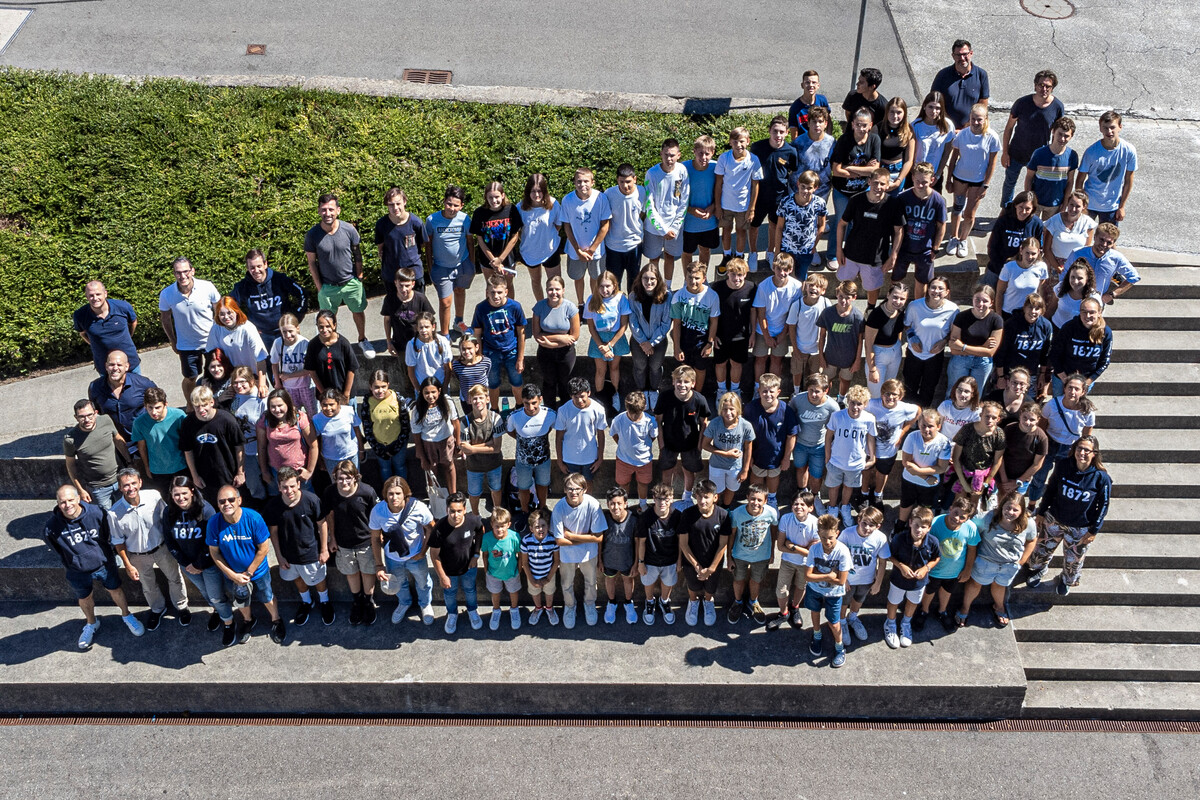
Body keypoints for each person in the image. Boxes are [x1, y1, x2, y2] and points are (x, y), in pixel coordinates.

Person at [45, 484, 144, 650]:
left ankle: (126, 615)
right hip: (77, 570)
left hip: (103, 564)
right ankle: (91, 623)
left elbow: (108, 534)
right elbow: (56, 548)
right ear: (57, 503)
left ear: (78, 498)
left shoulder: (96, 513)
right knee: (84, 597)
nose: (67, 505)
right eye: (62, 502)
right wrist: (75, 561)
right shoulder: (51, 526)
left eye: (70, 500)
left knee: (115, 590)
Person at [1025, 434, 1112, 595]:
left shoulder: (1101, 477)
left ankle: (1066, 579)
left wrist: (1094, 530)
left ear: (1094, 453)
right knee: (1041, 551)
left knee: (1074, 560)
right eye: (1079, 448)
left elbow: (1103, 505)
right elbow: (1051, 489)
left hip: (1080, 527)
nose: (1082, 453)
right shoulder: (1063, 465)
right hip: (1055, 519)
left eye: (1087, 450)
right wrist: (1042, 512)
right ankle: (1039, 569)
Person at [107, 468, 189, 630]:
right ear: (120, 487)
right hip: (137, 555)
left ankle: (181, 606)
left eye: (133, 483)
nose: (130, 488)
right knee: (148, 585)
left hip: (162, 548)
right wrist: (128, 565)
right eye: (126, 485)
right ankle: (157, 608)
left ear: (140, 482)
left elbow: (167, 518)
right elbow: (118, 541)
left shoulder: (154, 496)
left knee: (175, 578)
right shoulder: (114, 513)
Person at [206, 484, 285, 644]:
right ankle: (248, 620)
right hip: (233, 574)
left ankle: (276, 619)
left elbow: (263, 548)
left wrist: (249, 573)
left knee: (267, 596)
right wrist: (232, 575)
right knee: (240, 600)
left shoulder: (253, 518)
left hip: (258, 571)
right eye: (222, 501)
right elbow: (214, 552)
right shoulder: (214, 523)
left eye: (231, 499)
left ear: (239, 500)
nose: (226, 504)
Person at [163, 476, 236, 644]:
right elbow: (169, 540)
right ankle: (218, 612)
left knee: (216, 596)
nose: (180, 498)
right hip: (187, 565)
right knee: (206, 594)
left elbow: (212, 541)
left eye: (184, 493)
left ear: (192, 491)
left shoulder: (206, 510)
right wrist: (186, 563)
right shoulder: (168, 512)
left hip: (208, 564)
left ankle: (229, 623)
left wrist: (198, 564)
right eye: (176, 494)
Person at [304, 193, 373, 357]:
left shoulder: (349, 229)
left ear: (338, 210)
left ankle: (362, 339)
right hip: (328, 287)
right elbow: (311, 262)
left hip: (351, 282)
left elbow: (357, 254)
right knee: (327, 319)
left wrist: (359, 278)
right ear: (319, 211)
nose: (327, 213)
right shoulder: (312, 235)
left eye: (331, 209)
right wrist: (319, 287)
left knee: (358, 311)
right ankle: (331, 346)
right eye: (323, 210)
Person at [265, 466, 333, 627]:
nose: (289, 491)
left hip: (310, 552)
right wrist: (279, 555)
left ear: (298, 484)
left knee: (318, 579)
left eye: (292, 486)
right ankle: (306, 601)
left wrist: (324, 549)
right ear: (279, 486)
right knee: (296, 578)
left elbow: (322, 524)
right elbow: (273, 532)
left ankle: (325, 601)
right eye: (285, 487)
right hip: (288, 554)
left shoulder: (312, 500)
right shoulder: (273, 506)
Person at [957, 491, 1037, 627]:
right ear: (1001, 506)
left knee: (1000, 586)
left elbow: (1032, 540)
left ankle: (999, 607)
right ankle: (965, 608)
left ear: (1022, 511)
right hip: (985, 562)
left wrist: (1022, 561)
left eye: (1015, 510)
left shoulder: (1028, 523)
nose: (1010, 512)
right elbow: (969, 530)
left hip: (1009, 565)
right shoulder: (986, 518)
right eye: (1008, 508)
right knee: (975, 584)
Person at [369, 476, 436, 625]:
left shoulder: (418, 507)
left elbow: (431, 528)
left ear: (405, 493)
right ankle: (404, 602)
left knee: (423, 582)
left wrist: (423, 552)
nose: (394, 498)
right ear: (385, 494)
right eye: (390, 494)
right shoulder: (378, 511)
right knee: (398, 583)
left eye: (398, 493)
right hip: (392, 557)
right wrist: (379, 564)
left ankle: (425, 603)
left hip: (415, 555)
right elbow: (375, 537)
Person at [321, 460, 380, 626]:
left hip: (365, 542)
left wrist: (377, 539)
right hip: (343, 543)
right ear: (334, 478)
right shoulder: (330, 492)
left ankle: (368, 601)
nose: (344, 482)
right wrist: (332, 538)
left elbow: (376, 517)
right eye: (340, 478)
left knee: (367, 571)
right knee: (351, 572)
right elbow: (329, 515)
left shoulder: (367, 492)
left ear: (355, 477)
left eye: (348, 478)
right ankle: (357, 601)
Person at [159, 257, 221, 409]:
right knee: (190, 377)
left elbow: (219, 310)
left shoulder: (207, 287)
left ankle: (214, 405)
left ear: (192, 271)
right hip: (186, 345)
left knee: (214, 375)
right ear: (174, 274)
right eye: (178, 272)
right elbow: (165, 319)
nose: (182, 276)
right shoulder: (167, 294)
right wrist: (173, 341)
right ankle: (191, 405)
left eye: (185, 271)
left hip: (210, 341)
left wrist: (220, 335)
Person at [826, 108, 882, 271]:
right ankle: (833, 254)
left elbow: (875, 169)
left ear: (870, 125)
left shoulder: (874, 140)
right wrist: (864, 169)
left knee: (856, 223)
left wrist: (849, 168)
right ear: (852, 124)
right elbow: (836, 170)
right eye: (858, 124)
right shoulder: (844, 140)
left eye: (865, 125)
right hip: (842, 191)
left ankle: (850, 252)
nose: (861, 128)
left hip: (862, 191)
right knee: (840, 221)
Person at [1000, 70, 1065, 208]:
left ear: (1052, 88)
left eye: (1048, 86)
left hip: (1039, 157)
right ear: (1035, 85)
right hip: (1016, 153)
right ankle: (1006, 210)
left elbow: (1058, 132)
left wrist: (1054, 155)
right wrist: (1005, 152)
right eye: (1041, 85)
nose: (1044, 89)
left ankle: (1029, 210)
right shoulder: (1022, 103)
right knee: (1009, 183)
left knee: (1034, 187)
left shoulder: (1057, 107)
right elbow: (1009, 128)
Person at [836, 168, 900, 307]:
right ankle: (843, 309)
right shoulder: (856, 200)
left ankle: (870, 309)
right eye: (875, 182)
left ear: (888, 185)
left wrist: (893, 255)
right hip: (851, 253)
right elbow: (842, 224)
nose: (878, 187)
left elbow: (899, 231)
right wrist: (839, 249)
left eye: (882, 184)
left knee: (872, 287)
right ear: (869, 181)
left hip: (875, 257)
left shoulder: (893, 204)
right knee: (844, 285)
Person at [551, 472, 608, 628]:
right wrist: (587, 537)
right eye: (570, 488)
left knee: (591, 582)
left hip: (589, 554)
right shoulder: (559, 508)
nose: (573, 492)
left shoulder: (593, 504)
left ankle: (589, 604)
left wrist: (571, 536)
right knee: (566, 583)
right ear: (564, 490)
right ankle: (570, 606)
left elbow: (599, 538)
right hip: (567, 555)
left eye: (577, 489)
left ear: (585, 489)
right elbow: (559, 540)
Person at [944, 104, 1001, 259]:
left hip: (977, 181)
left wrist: (986, 184)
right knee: (957, 209)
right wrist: (949, 179)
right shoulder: (962, 135)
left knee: (969, 213)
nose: (976, 122)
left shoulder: (992, 137)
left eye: (979, 119)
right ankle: (953, 237)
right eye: (973, 119)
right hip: (960, 178)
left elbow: (992, 163)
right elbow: (953, 158)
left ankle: (963, 239)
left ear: (986, 119)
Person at [1028, 373, 1095, 502]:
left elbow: (1086, 435)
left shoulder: (1087, 411)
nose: (1072, 392)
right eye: (1070, 387)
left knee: (1062, 479)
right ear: (1064, 388)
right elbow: (1042, 427)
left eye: (1076, 389)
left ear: (1083, 392)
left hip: (1070, 447)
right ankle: (1032, 503)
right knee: (1039, 477)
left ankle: (1053, 504)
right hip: (1050, 443)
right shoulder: (1052, 405)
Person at [918, 496, 978, 631]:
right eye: (955, 513)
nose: (957, 518)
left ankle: (942, 611)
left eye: (962, 517)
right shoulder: (935, 523)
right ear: (950, 509)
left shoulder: (971, 528)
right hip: (934, 569)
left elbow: (972, 549)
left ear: (967, 519)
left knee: (947, 591)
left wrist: (967, 570)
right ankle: (924, 610)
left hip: (954, 571)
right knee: (929, 590)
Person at [229, 248, 307, 351]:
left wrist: (297, 316)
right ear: (247, 268)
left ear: (265, 264)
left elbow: (302, 293)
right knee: (268, 361)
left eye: (259, 266)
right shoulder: (242, 287)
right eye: (252, 267)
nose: (256, 270)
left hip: (285, 330)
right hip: (262, 335)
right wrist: (247, 326)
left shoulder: (279, 279)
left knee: (293, 358)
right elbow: (229, 306)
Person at [884, 506, 941, 648]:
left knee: (913, 602)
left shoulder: (933, 542)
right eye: (916, 525)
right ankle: (890, 623)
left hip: (918, 583)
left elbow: (936, 558)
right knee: (893, 601)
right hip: (898, 580)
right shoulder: (899, 538)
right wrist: (901, 566)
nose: (919, 530)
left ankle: (906, 623)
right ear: (910, 522)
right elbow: (890, 555)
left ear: (929, 528)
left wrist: (926, 568)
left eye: (923, 527)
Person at [655, 365, 711, 505]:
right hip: (668, 442)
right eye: (679, 381)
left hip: (691, 443)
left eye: (686, 382)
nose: (682, 385)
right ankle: (667, 496)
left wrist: (699, 446)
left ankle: (687, 496)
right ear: (673, 382)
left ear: (693, 383)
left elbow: (704, 423)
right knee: (667, 471)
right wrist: (661, 445)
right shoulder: (665, 397)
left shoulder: (699, 400)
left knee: (689, 470)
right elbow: (658, 421)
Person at [429, 493, 485, 634]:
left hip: (469, 568)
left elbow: (480, 531)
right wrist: (442, 576)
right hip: (448, 571)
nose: (456, 515)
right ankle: (452, 613)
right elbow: (434, 555)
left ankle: (472, 610)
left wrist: (476, 554)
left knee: (470, 590)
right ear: (447, 510)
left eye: (459, 511)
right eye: (452, 511)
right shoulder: (439, 528)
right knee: (449, 593)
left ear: (465, 509)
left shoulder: (473, 520)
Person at [180, 385, 244, 508]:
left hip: (228, 475)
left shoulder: (227, 420)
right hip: (204, 478)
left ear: (212, 402)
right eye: (197, 406)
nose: (201, 409)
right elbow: (188, 451)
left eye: (204, 405)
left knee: (230, 507)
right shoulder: (188, 423)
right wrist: (194, 476)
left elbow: (239, 447)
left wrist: (240, 473)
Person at [890, 162, 946, 299]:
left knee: (922, 282)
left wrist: (935, 248)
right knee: (896, 279)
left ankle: (917, 305)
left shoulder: (938, 200)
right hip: (904, 247)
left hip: (925, 249)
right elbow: (897, 226)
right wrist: (894, 251)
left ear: (932, 180)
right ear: (912, 178)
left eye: (925, 182)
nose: (920, 185)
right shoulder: (903, 198)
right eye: (917, 181)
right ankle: (896, 303)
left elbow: (941, 226)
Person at [677, 479, 729, 627]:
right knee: (692, 585)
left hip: (713, 562)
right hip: (691, 561)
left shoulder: (723, 515)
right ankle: (693, 602)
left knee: (710, 587)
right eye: (699, 496)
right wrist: (696, 565)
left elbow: (723, 544)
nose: (702, 501)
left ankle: (708, 602)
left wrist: (711, 568)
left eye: (706, 497)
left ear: (715, 497)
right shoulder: (687, 514)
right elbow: (683, 543)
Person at [824, 385, 878, 526]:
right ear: (848, 401)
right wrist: (827, 457)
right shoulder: (837, 416)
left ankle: (845, 507)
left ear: (865, 404)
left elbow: (870, 438)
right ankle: (832, 508)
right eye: (852, 403)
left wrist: (872, 457)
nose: (855, 407)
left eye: (859, 404)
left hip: (855, 462)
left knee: (849, 486)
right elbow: (828, 437)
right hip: (836, 460)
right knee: (834, 486)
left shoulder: (869, 419)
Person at [472, 275, 527, 410]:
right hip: (490, 352)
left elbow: (521, 333)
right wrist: (479, 357)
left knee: (516, 382)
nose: (496, 296)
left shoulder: (515, 306)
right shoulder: (481, 308)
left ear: (506, 292)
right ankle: (495, 409)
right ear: (487, 292)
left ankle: (519, 406)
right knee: (492, 384)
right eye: (492, 292)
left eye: (499, 292)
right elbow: (477, 334)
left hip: (511, 351)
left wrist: (520, 358)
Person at [424, 185, 474, 337]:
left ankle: (459, 322)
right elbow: (428, 245)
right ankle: (445, 335)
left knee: (460, 291)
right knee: (445, 302)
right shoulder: (432, 220)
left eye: (456, 205)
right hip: (441, 267)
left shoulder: (465, 219)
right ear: (444, 201)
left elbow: (470, 241)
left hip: (462, 264)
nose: (452, 208)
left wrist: (471, 264)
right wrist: (430, 267)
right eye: (449, 204)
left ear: (461, 205)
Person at [836, 505, 889, 646]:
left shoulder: (881, 538)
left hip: (866, 579)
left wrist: (878, 583)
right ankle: (842, 621)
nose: (867, 528)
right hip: (849, 578)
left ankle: (852, 617)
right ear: (859, 520)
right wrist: (842, 578)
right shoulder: (847, 533)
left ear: (878, 526)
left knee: (859, 598)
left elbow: (882, 562)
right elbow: (838, 556)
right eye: (864, 523)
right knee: (844, 601)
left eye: (871, 525)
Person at [748, 117, 796, 272]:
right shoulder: (757, 147)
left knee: (774, 225)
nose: (778, 135)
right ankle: (753, 253)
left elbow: (793, 170)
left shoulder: (791, 151)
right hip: (759, 196)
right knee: (753, 226)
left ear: (787, 133)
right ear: (769, 131)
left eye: (782, 132)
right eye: (775, 131)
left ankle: (770, 252)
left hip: (779, 197)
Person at [744, 373, 799, 509]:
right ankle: (756, 500)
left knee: (773, 477)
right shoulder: (751, 408)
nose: (768, 394)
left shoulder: (786, 411)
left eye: (771, 391)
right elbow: (745, 434)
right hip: (757, 455)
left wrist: (786, 458)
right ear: (759, 391)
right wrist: (748, 457)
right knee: (756, 476)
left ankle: (772, 499)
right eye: (764, 391)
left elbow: (791, 436)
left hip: (776, 456)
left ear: (778, 392)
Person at [803, 513, 852, 667]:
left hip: (834, 593)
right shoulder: (814, 549)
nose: (827, 541)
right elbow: (807, 576)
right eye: (823, 537)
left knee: (834, 622)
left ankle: (839, 647)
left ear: (837, 533)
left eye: (830, 537)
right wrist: (829, 576)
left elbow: (841, 581)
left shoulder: (843, 551)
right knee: (815, 612)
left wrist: (818, 574)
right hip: (814, 589)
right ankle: (817, 635)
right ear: (818, 534)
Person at [902, 277, 958, 408]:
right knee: (909, 389)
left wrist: (944, 341)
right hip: (914, 353)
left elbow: (954, 332)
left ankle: (922, 414)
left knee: (928, 390)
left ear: (947, 292)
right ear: (928, 289)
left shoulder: (953, 309)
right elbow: (907, 324)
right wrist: (912, 337)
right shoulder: (915, 306)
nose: (936, 291)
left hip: (934, 355)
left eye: (940, 288)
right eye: (933, 287)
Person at [726, 484, 778, 624]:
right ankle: (738, 602)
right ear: (747, 497)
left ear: (765, 501)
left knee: (756, 580)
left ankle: (753, 601)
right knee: (738, 579)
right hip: (740, 554)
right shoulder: (737, 513)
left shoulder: (771, 513)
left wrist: (772, 552)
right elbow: (732, 535)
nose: (756, 502)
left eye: (759, 500)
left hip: (761, 555)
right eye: (753, 498)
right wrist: (728, 557)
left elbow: (774, 532)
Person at [64, 399, 127, 513]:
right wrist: (80, 490)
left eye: (90, 415)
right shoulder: (71, 439)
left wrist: (129, 463)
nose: (87, 420)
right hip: (98, 488)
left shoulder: (106, 420)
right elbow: (71, 466)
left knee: (126, 512)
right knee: (106, 517)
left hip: (119, 480)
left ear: (96, 413)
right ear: (76, 417)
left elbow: (118, 440)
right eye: (82, 417)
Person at [865, 379, 920, 510]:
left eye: (894, 394)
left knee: (882, 472)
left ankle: (878, 494)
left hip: (889, 450)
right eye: (887, 393)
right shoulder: (871, 404)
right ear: (882, 394)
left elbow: (918, 411)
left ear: (900, 396)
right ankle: (864, 493)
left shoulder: (905, 408)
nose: (890, 397)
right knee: (865, 470)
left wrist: (903, 431)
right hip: (868, 448)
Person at [561, 167, 612, 305]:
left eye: (586, 181)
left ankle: (595, 302)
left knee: (596, 278)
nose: (582, 184)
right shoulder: (567, 200)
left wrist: (592, 249)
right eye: (579, 181)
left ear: (592, 182)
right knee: (578, 277)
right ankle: (581, 303)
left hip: (596, 250)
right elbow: (567, 227)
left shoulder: (601, 198)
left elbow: (605, 225)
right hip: (575, 250)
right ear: (574, 182)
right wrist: (578, 250)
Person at [713, 127, 764, 268]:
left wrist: (752, 208)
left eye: (742, 141)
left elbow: (755, 185)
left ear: (747, 141)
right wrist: (718, 206)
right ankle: (727, 255)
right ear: (730, 142)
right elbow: (718, 183)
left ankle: (740, 256)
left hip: (743, 205)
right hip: (725, 204)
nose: (738, 145)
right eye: (735, 141)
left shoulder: (753, 160)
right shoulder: (724, 158)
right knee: (726, 230)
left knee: (741, 231)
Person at [793, 109, 836, 273]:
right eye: (814, 122)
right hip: (803, 190)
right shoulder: (799, 142)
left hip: (823, 188)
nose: (817, 125)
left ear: (825, 123)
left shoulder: (832, 142)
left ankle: (816, 239)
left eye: (820, 122)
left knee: (819, 220)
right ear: (808, 123)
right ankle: (812, 249)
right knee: (807, 221)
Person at [529, 275, 580, 413]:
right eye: (550, 289)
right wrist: (561, 338)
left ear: (563, 290)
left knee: (565, 383)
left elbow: (574, 336)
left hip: (566, 353)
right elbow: (537, 334)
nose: (554, 292)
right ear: (546, 290)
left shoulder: (570, 308)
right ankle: (550, 410)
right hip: (545, 352)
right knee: (549, 382)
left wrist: (552, 341)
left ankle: (566, 411)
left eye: (557, 289)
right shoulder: (539, 307)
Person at [1075, 110, 1137, 224]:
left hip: (1112, 206)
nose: (1109, 131)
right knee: (1084, 235)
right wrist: (1081, 204)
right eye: (1105, 128)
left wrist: (1122, 206)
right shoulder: (1091, 152)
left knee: (1108, 235)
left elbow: (1128, 181)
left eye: (1112, 127)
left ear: (1120, 127)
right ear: (1100, 128)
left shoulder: (1129, 151)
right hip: (1089, 205)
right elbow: (1080, 180)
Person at [767, 491, 818, 631]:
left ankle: (795, 607)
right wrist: (802, 549)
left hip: (806, 564)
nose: (798, 507)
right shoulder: (786, 519)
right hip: (787, 561)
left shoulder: (815, 523)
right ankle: (784, 613)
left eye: (803, 504)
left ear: (810, 508)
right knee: (781, 590)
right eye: (796, 504)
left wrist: (792, 546)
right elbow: (780, 546)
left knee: (801, 586)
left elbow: (811, 552)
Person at [790, 373, 840, 514]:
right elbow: (790, 415)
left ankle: (814, 496)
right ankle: (802, 492)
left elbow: (835, 428)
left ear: (826, 391)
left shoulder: (832, 406)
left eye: (817, 391)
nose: (813, 394)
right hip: (800, 444)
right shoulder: (797, 400)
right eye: (810, 390)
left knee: (816, 475)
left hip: (819, 445)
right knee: (800, 468)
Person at [669, 260, 721, 393]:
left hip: (702, 339)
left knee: (700, 368)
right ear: (685, 277)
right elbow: (676, 324)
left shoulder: (712, 296)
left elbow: (714, 321)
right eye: (690, 277)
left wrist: (709, 343)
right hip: (685, 337)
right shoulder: (678, 296)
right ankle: (684, 393)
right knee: (685, 368)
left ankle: (697, 394)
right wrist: (676, 347)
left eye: (697, 278)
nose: (693, 281)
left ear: (704, 278)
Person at [88, 350, 156, 450]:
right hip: (117, 442)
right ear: (106, 366)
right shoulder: (95, 387)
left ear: (126, 367)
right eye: (111, 364)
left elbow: (159, 404)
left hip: (144, 438)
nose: (115, 368)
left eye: (119, 365)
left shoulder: (143, 384)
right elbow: (96, 412)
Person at [644, 138, 691, 285]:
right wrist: (662, 229)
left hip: (674, 227)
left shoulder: (682, 171)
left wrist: (674, 227)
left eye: (672, 155)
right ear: (661, 154)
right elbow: (649, 205)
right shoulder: (651, 174)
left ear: (678, 155)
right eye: (666, 155)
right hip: (654, 228)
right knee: (654, 258)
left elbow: (684, 201)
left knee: (670, 256)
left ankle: (668, 287)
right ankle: (654, 287)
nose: (669, 159)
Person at [381, 268, 435, 391]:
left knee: (425, 369)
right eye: (401, 286)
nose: (404, 289)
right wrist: (389, 342)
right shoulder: (389, 299)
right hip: (401, 344)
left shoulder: (420, 299)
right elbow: (387, 320)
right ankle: (411, 394)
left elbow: (431, 320)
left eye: (407, 286)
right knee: (407, 372)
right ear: (395, 283)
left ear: (413, 284)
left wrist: (432, 341)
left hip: (420, 342)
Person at [256, 388, 319, 493]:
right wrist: (264, 471)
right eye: (273, 407)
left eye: (280, 405)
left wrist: (309, 471)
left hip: (299, 471)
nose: (277, 410)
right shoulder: (265, 420)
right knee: (280, 499)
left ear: (287, 404)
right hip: (275, 471)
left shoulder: (300, 418)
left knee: (304, 497)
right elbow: (261, 447)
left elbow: (313, 445)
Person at [584, 270, 631, 411]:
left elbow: (623, 325)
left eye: (608, 286)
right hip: (598, 339)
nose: (605, 290)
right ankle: (600, 396)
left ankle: (615, 394)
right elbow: (591, 327)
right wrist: (601, 346)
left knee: (614, 367)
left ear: (614, 285)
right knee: (600, 370)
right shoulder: (592, 300)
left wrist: (610, 345)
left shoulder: (621, 299)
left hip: (615, 339)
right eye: (601, 286)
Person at [635, 483, 682, 625]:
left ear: (671, 499)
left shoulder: (677, 516)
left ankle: (664, 601)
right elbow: (642, 542)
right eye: (659, 499)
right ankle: (649, 602)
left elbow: (681, 540)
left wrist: (679, 560)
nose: (662, 502)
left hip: (670, 559)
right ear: (654, 499)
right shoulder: (646, 517)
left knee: (668, 583)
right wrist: (641, 562)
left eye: (666, 499)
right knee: (648, 582)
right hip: (650, 559)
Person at [897, 408, 952, 530]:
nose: (926, 429)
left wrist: (917, 471)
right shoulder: (912, 437)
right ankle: (899, 526)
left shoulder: (944, 442)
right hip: (911, 480)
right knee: (906, 503)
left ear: (938, 426)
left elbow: (942, 468)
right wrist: (925, 477)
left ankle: (922, 529)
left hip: (930, 485)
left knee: (925, 509)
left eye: (930, 426)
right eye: (923, 426)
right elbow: (906, 463)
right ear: (918, 425)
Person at [752, 253, 802, 381]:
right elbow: (761, 314)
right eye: (779, 269)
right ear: (773, 268)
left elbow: (792, 314)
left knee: (777, 359)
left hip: (782, 330)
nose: (782, 273)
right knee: (760, 359)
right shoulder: (764, 286)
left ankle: (773, 386)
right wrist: (767, 336)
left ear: (791, 269)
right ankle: (758, 387)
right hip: (763, 330)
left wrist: (783, 334)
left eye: (786, 269)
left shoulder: (797, 287)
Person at [627, 264, 671, 408]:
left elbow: (666, 323)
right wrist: (643, 342)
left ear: (658, 280)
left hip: (658, 340)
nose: (649, 282)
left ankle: (653, 390)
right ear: (640, 279)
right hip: (638, 340)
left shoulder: (667, 296)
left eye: (652, 279)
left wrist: (651, 343)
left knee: (655, 367)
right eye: (645, 278)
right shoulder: (633, 296)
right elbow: (632, 321)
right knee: (639, 366)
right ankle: (641, 391)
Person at [946, 283, 1003, 394]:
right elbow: (953, 349)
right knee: (954, 391)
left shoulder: (996, 320)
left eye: (985, 301)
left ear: (991, 302)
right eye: (977, 299)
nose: (980, 304)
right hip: (960, 360)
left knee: (976, 394)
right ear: (972, 299)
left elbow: (990, 352)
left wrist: (962, 346)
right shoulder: (961, 316)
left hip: (982, 362)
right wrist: (982, 347)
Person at [507, 385, 556, 513]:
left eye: (534, 403)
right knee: (523, 488)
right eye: (526, 403)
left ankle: (542, 509)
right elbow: (510, 431)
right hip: (523, 461)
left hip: (543, 460)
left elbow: (552, 427)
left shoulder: (550, 414)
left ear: (540, 399)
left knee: (543, 485)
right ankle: (525, 511)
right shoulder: (514, 416)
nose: (530, 407)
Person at [701, 392, 756, 507]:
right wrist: (724, 454)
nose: (728, 413)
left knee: (732, 488)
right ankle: (716, 509)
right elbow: (705, 445)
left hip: (735, 466)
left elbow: (748, 447)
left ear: (738, 409)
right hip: (717, 465)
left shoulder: (745, 425)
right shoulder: (715, 423)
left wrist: (745, 469)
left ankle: (726, 507)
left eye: (731, 409)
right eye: (725, 409)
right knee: (716, 490)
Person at [950, 400, 1006, 513]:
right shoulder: (967, 429)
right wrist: (964, 482)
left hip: (981, 475)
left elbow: (997, 461)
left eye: (994, 417)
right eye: (987, 416)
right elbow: (956, 458)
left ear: (998, 419)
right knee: (959, 501)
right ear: (981, 415)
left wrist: (986, 482)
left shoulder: (999, 434)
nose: (990, 420)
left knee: (973, 505)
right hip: (963, 470)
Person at [74, 280, 139, 376]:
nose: (95, 298)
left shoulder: (122, 307)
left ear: (105, 294)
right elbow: (82, 333)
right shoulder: (80, 315)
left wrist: (128, 337)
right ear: (86, 296)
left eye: (98, 294)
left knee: (137, 385)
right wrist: (95, 343)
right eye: (91, 295)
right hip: (104, 366)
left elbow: (133, 322)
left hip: (130, 361)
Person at [208, 296, 271, 395]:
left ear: (236, 311)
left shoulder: (247, 328)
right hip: (229, 376)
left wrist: (262, 384)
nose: (226, 317)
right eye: (222, 314)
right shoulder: (216, 329)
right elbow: (211, 355)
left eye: (229, 313)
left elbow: (261, 358)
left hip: (251, 375)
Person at [516, 173, 563, 303]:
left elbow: (558, 225)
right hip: (530, 252)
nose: (536, 194)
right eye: (533, 191)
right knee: (536, 281)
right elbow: (518, 231)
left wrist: (546, 236)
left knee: (555, 283)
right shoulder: (520, 207)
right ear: (528, 191)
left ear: (545, 191)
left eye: (540, 191)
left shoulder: (553, 204)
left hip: (550, 250)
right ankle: (541, 306)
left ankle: (557, 306)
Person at [712, 258, 755, 399]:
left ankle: (735, 391)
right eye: (733, 274)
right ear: (727, 274)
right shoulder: (717, 288)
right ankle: (721, 391)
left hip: (741, 336)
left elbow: (754, 312)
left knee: (736, 363)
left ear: (745, 274)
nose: (736, 278)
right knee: (720, 363)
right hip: (721, 335)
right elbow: (712, 314)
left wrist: (753, 333)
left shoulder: (751, 288)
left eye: (740, 275)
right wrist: (713, 335)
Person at [1049, 298, 1112, 394]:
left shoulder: (1106, 332)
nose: (1087, 316)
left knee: (1079, 404)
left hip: (1085, 380)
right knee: (1059, 403)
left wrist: (1087, 382)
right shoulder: (1069, 327)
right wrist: (1065, 380)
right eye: (1084, 312)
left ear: (1099, 313)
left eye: (1092, 312)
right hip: (1062, 378)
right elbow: (1055, 353)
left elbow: (1104, 361)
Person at [470, 180, 523, 293]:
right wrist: (493, 260)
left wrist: (500, 259)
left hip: (507, 258)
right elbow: (480, 239)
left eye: (497, 197)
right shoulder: (479, 213)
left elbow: (515, 237)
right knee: (491, 288)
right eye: (490, 197)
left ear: (503, 195)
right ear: (486, 197)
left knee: (507, 287)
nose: (494, 201)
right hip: (488, 261)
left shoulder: (511, 210)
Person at [132, 387, 189, 493]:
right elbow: (142, 447)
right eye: (150, 408)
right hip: (158, 470)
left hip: (181, 466)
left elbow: (188, 440)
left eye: (158, 407)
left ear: (165, 404)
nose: (154, 412)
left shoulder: (178, 416)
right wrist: (147, 467)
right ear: (145, 406)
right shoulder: (139, 423)